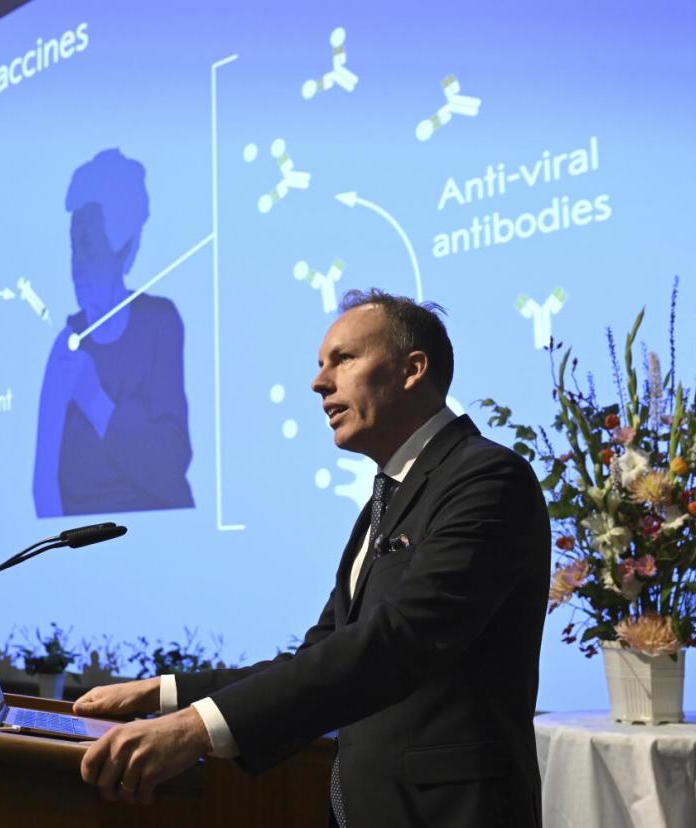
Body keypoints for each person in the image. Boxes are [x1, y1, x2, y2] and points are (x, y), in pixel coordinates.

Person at [74, 291, 550, 826]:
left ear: (413, 369)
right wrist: (164, 693)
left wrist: (197, 728)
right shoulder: (385, 500)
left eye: (342, 359)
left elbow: (397, 641)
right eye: (321, 365)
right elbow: (322, 653)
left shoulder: (486, 479)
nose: (319, 383)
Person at [33, 148, 194, 517]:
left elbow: (170, 464)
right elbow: (44, 484)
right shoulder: (66, 344)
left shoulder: (160, 322)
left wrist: (93, 399)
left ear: (124, 249)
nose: (78, 267)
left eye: (91, 248)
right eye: (74, 249)